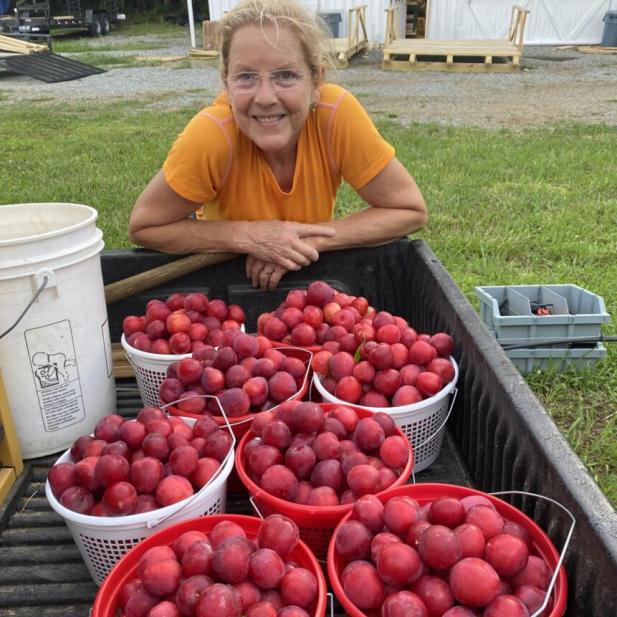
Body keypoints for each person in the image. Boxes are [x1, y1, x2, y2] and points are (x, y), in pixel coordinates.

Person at [129, 0, 427, 291]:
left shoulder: (335, 117)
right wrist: (248, 235)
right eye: (246, 77)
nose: (266, 97)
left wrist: (310, 241)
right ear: (226, 82)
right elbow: (145, 226)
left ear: (316, 81)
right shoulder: (212, 136)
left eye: (285, 76)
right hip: (225, 278)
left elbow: (408, 209)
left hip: (307, 271)